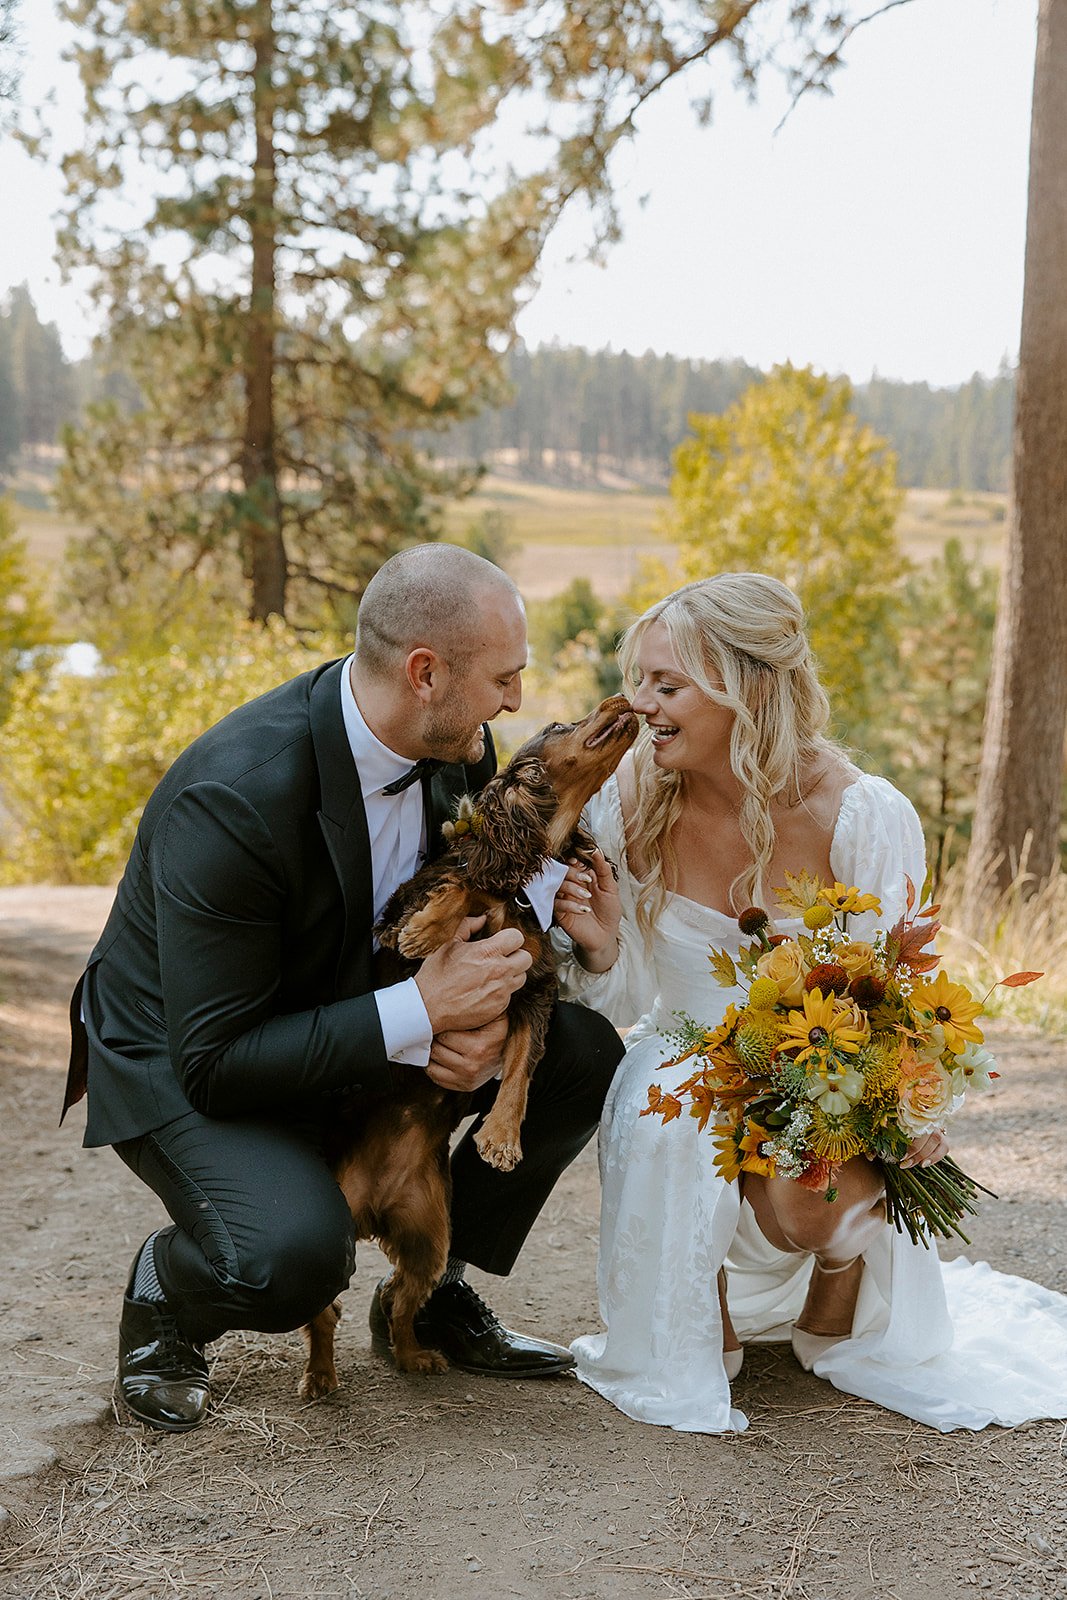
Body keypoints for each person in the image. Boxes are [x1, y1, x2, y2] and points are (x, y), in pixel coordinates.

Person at [62, 544, 625, 1433]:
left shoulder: (456, 749)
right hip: (191, 1052)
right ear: (425, 673)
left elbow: (472, 908)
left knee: (583, 1055)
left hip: (347, 1022)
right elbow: (216, 1059)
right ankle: (168, 1296)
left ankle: (433, 1289)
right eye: (504, 678)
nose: (516, 702)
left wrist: (560, 949)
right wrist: (420, 1014)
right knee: (290, 1258)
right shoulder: (234, 796)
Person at [552, 572, 1067, 1434]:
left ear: (747, 687)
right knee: (667, 1108)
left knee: (804, 1202)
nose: (637, 705)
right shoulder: (628, 799)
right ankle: (692, 1318)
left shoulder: (860, 813)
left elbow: (908, 999)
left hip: (816, 1060)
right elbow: (628, 994)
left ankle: (841, 1270)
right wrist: (602, 942)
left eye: (665, 685)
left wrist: (912, 1102)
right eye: (639, 679)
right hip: (680, 1048)